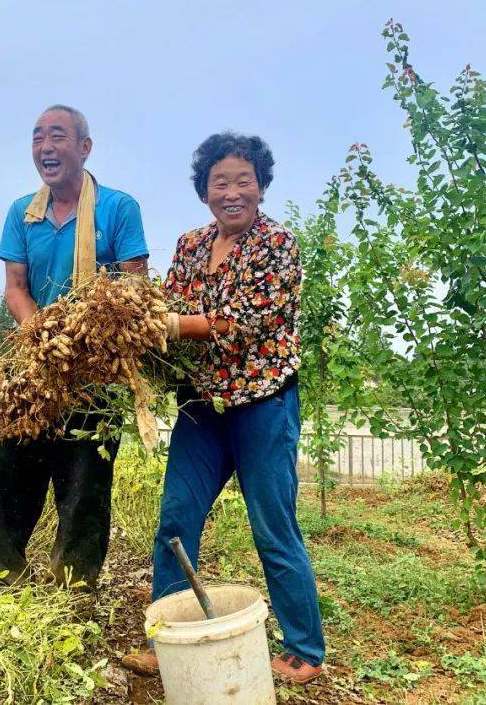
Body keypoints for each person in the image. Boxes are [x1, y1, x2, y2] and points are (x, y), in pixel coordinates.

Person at [123, 133, 326, 685]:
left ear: (261, 188)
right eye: (220, 182)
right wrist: (135, 324)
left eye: (244, 181)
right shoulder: (190, 245)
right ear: (203, 190)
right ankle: (168, 637)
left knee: (273, 526)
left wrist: (170, 325)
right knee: (176, 520)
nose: (232, 191)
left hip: (262, 405)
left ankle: (304, 649)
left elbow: (244, 320)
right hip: (201, 407)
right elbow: (167, 304)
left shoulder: (278, 245)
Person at [0, 104, 149, 588]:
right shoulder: (22, 212)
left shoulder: (118, 208)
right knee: (2, 468)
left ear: (84, 147)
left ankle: (74, 585)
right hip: (35, 359)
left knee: (85, 480)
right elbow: (15, 285)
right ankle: (5, 573)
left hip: (95, 366)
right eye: (37, 138)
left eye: (57, 136)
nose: (45, 147)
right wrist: (41, 332)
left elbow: (134, 285)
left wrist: (82, 333)